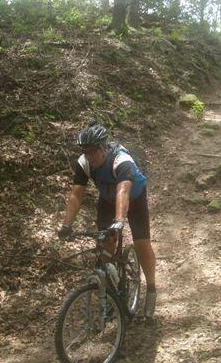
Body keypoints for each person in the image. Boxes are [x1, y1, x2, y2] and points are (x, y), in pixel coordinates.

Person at [58, 123, 157, 318]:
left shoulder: (122, 160)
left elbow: (124, 191)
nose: (89, 157)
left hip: (134, 197)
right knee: (104, 245)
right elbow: (76, 194)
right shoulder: (84, 163)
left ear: (104, 147)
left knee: (141, 243)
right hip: (107, 198)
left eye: (93, 152)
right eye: (85, 152)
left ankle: (152, 288)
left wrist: (119, 221)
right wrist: (66, 225)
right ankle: (111, 294)